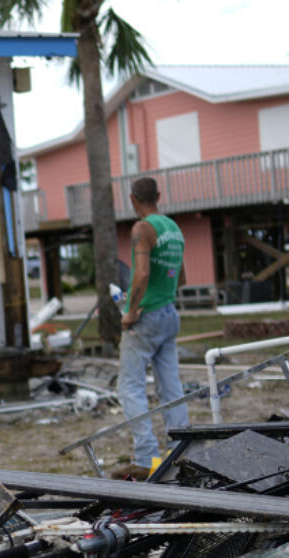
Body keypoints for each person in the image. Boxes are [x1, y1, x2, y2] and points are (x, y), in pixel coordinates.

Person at [115, 176, 189, 480]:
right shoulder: (174, 229)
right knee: (170, 385)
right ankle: (182, 450)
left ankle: (146, 457)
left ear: (132, 199)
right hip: (170, 313)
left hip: (147, 316)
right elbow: (181, 278)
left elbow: (142, 273)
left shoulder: (142, 229)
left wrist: (131, 311)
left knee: (130, 385)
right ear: (158, 195)